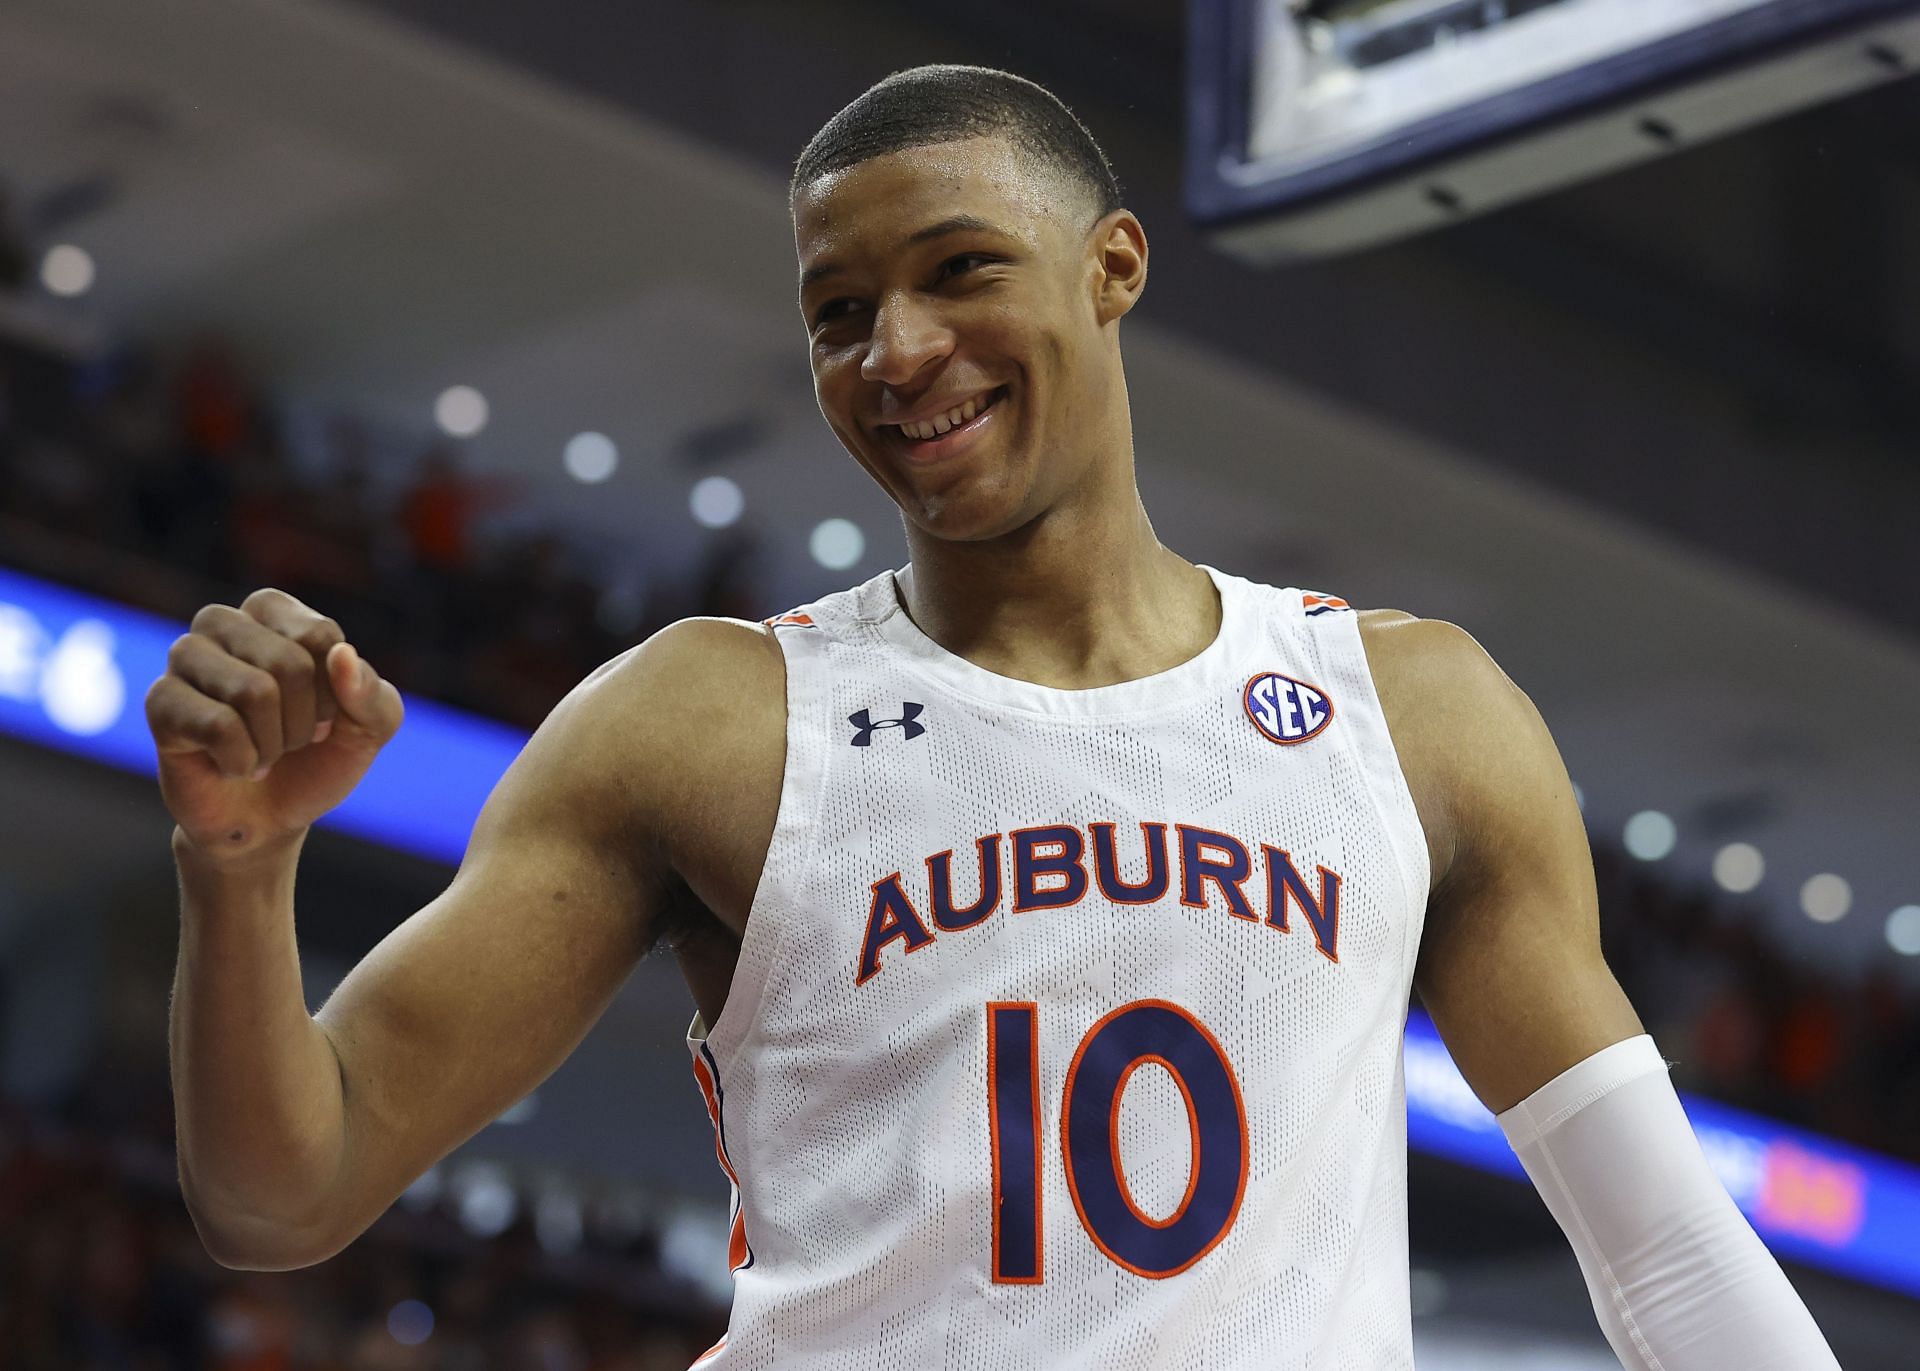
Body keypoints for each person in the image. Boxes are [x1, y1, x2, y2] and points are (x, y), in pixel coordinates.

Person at [149, 65, 1840, 1370]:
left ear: (1113, 269)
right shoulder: (710, 720)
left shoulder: (1414, 712)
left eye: (961, 269)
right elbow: (285, 1189)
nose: (898, 350)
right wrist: (239, 868)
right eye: (837, 313)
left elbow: (1670, 1254)